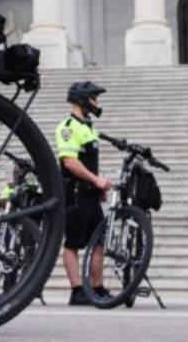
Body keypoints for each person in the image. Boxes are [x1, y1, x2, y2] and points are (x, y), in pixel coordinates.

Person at [56, 81, 111, 306]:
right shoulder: (68, 127)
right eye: (94, 98)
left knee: (99, 243)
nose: (97, 102)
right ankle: (77, 290)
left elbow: (88, 163)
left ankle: (96, 287)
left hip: (90, 194)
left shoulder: (89, 127)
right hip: (75, 194)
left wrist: (98, 187)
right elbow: (70, 162)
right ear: (82, 99)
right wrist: (96, 179)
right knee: (73, 243)